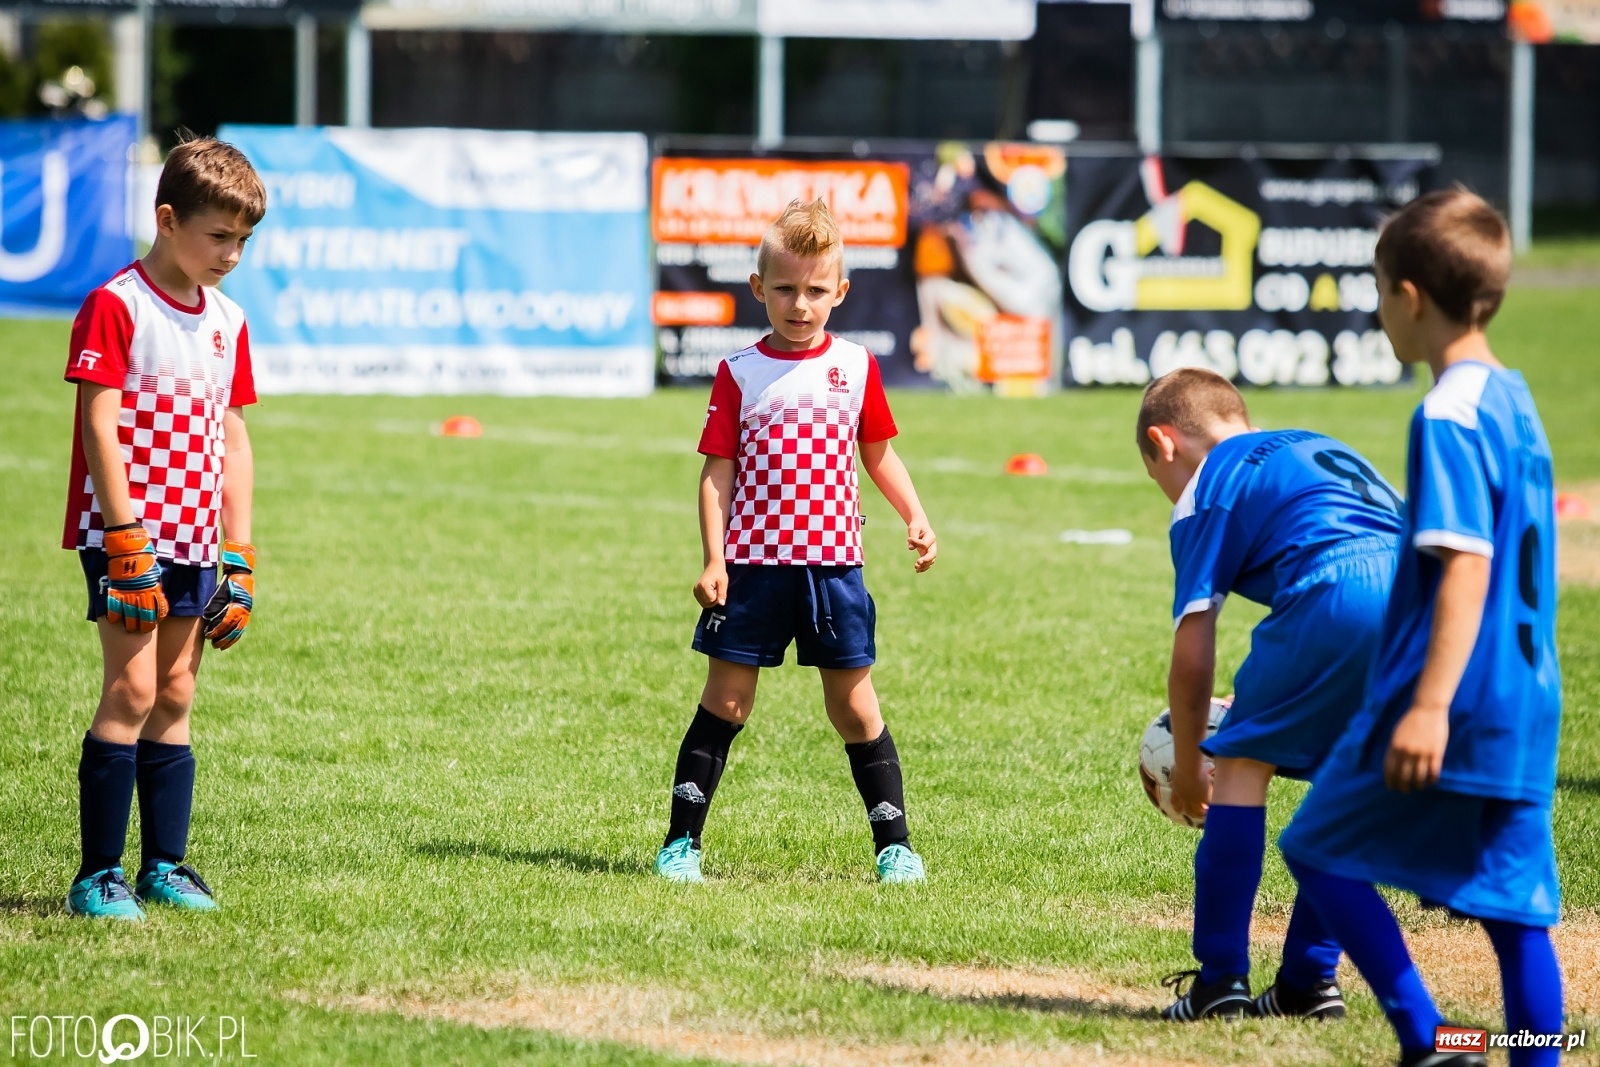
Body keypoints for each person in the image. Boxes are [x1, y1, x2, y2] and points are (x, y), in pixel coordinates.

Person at [1280, 189, 1563, 1067]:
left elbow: (1466, 563)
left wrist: (1429, 705)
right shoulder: (1514, 397)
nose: (1376, 309)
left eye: (1375, 289)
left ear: (1408, 296)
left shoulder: (1447, 412)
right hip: (1526, 694)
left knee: (1317, 843)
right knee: (1517, 909)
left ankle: (1434, 1040)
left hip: (1455, 691)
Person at [654, 199, 938, 885]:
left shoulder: (857, 367)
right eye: (784, 288)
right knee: (726, 702)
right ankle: (680, 845)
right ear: (758, 288)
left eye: (815, 290)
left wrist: (915, 514)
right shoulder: (739, 373)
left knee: (854, 706)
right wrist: (715, 557)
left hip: (834, 567)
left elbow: (879, 455)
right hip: (752, 569)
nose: (800, 303)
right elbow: (716, 473)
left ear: (840, 291)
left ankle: (894, 847)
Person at [1137, 367, 1403, 1019]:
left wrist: (1203, 753)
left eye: (1158, 478)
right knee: (1349, 792)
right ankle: (1309, 984)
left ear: (1164, 444)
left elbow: (1194, 647)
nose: (1168, 492)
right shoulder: (1314, 443)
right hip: (1422, 606)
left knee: (1241, 768)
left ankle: (1219, 980)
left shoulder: (1208, 484)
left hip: (1332, 592)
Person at [62, 136, 264, 920]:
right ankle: (96, 875)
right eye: (218, 236)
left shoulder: (229, 320)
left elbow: (235, 437)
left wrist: (239, 556)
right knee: (133, 685)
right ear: (168, 218)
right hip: (129, 534)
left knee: (176, 690)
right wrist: (123, 537)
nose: (232, 255)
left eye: (243, 240)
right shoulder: (118, 304)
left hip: (193, 537)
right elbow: (99, 425)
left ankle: (165, 866)